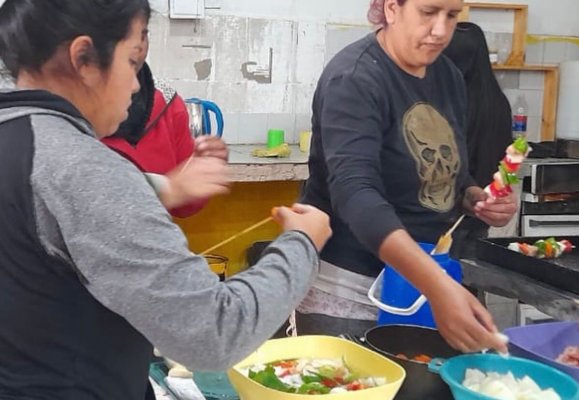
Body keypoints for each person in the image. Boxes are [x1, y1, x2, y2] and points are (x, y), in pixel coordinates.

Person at [0, 1, 331, 399]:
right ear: (84, 58)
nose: (139, 85)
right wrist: (301, 244)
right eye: (133, 61)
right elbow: (213, 333)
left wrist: (163, 189)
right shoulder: (83, 168)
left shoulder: (20, 141)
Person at [299, 0, 518, 353]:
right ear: (390, 8)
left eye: (451, 16)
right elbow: (356, 193)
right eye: (429, 13)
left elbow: (451, 174)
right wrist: (436, 285)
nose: (441, 30)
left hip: (424, 279)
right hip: (355, 288)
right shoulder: (355, 78)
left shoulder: (446, 75)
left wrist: (474, 196)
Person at [101, 35, 226, 218]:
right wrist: (168, 189)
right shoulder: (68, 114)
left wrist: (202, 168)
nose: (138, 47)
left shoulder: (168, 102)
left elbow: (184, 206)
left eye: (143, 34)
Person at [442, 21, 513, 257]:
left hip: (446, 215)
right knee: (468, 279)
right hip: (483, 211)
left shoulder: (447, 101)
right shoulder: (499, 101)